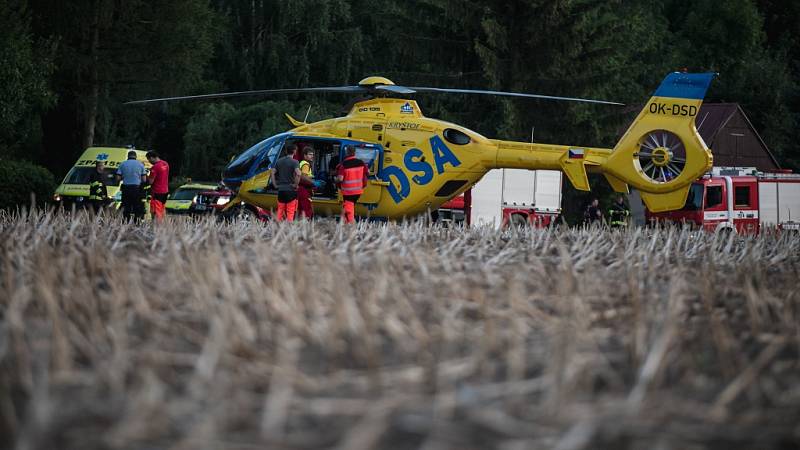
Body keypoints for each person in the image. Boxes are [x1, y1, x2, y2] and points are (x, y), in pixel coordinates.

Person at [335, 145, 369, 224]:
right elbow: (368, 172)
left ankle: (352, 226)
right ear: (354, 152)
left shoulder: (344, 165)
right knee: (346, 208)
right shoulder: (361, 162)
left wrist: (335, 180)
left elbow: (340, 179)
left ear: (347, 152)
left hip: (348, 192)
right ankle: (343, 225)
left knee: (348, 211)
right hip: (358, 191)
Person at [272, 144, 301, 221]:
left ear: (286, 151)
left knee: (280, 211)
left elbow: (272, 173)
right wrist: (295, 184)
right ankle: (289, 229)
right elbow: (298, 174)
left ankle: (277, 228)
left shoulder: (279, 161)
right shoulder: (295, 162)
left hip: (281, 190)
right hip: (291, 190)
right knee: (290, 211)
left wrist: (275, 184)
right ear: (294, 151)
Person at [116, 150, 146, 222]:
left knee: (126, 207)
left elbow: (118, 178)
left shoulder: (122, 164)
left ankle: (126, 222)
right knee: (137, 206)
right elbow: (144, 180)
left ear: (128, 156)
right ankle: (137, 222)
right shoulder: (140, 165)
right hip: (136, 189)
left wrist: (125, 177)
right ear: (135, 156)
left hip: (126, 189)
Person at [297, 146, 321, 220]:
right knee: (307, 209)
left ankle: (299, 226)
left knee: (301, 209)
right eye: (310, 154)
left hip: (300, 189)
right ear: (305, 155)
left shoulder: (301, 163)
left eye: (312, 154)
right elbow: (303, 177)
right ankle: (306, 226)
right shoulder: (306, 164)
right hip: (304, 189)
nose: (312, 156)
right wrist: (314, 182)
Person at [146, 151, 170, 222]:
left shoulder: (155, 167)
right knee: (162, 211)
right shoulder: (166, 164)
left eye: (149, 159)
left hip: (157, 192)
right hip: (165, 191)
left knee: (155, 212)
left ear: (152, 157)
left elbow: (150, 182)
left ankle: (156, 227)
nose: (149, 162)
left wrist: (146, 175)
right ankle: (162, 227)